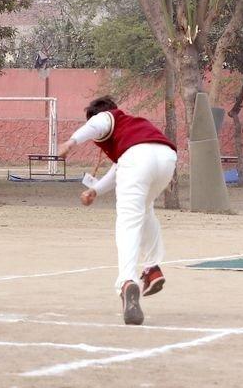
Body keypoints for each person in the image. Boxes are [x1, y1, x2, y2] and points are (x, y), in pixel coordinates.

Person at [56, 96, 177, 325]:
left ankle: (127, 282)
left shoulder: (107, 117)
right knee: (144, 209)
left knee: (128, 221)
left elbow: (98, 125)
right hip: (166, 158)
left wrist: (71, 142)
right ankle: (152, 268)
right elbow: (123, 166)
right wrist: (95, 190)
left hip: (139, 159)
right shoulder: (133, 126)